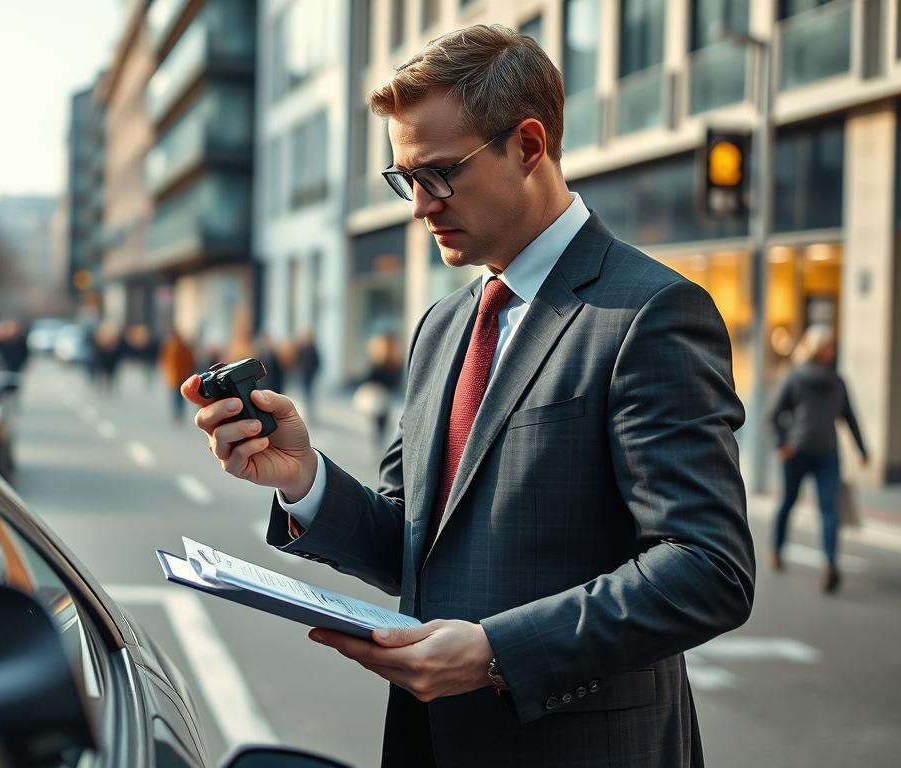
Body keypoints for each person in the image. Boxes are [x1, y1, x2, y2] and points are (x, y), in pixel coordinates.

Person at [182, 25, 753, 767]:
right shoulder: (443, 325)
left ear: (528, 146)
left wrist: (495, 652)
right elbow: (418, 547)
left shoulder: (650, 313)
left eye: (440, 174)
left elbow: (709, 568)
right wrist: (305, 480)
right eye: (405, 179)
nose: (420, 206)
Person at [766, 324, 868, 593]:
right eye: (829, 346)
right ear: (820, 350)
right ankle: (816, 559)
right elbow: (850, 417)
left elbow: (774, 415)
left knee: (800, 505)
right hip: (817, 452)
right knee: (819, 509)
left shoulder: (804, 378)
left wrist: (784, 442)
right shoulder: (827, 380)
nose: (833, 350)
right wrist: (862, 449)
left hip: (805, 452)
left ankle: (823, 563)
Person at [160, 329, 197, 420]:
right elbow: (191, 361)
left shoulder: (169, 346)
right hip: (183, 376)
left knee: (175, 396)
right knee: (180, 396)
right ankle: (179, 413)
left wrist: (165, 371)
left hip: (173, 377)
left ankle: (177, 414)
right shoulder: (184, 347)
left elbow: (163, 360)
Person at [293, 329, 321, 414]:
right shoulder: (300, 348)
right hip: (302, 375)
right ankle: (304, 410)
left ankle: (309, 411)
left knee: (309, 393)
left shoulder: (313, 348)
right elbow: (296, 360)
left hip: (310, 375)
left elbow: (317, 362)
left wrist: (314, 371)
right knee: (303, 392)